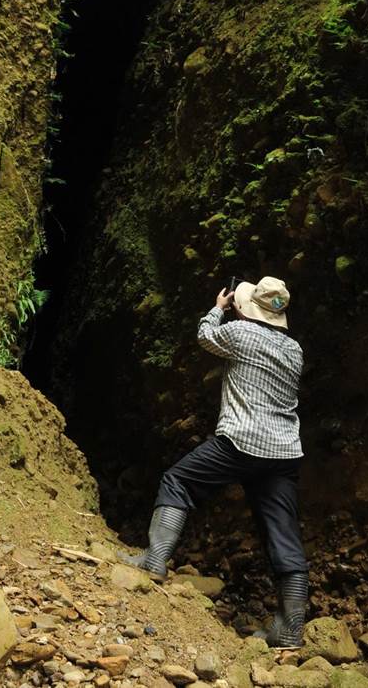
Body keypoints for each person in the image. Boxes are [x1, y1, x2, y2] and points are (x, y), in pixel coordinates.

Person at [122, 276, 309, 648]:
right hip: (284, 453)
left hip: (241, 442)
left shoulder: (239, 333)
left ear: (246, 309)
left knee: (178, 481)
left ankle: (154, 560)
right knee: (282, 533)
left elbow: (206, 336)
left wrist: (219, 308)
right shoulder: (295, 350)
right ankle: (289, 631)